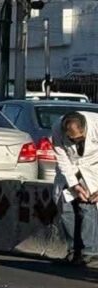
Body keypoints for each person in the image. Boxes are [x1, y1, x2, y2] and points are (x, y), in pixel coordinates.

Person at [53, 112, 98, 265]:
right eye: (71, 139)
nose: (76, 141)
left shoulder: (96, 124)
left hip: (93, 167)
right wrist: (74, 184)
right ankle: (74, 250)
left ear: (85, 128)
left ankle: (90, 251)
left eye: (79, 138)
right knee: (66, 209)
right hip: (70, 168)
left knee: (88, 207)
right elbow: (61, 157)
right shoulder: (57, 127)